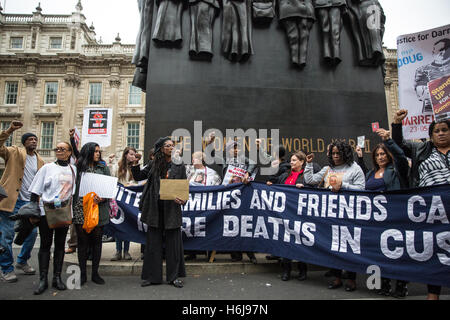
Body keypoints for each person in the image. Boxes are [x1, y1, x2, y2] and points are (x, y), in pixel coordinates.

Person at [392, 109, 450, 300]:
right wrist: (397, 124)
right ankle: (433, 294)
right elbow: (399, 144)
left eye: (444, 130)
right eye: (437, 131)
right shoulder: (421, 149)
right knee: (434, 252)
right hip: (432, 211)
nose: (441, 133)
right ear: (431, 136)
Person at [304, 140, 365, 291]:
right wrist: (309, 164)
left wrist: (343, 186)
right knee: (334, 247)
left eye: (338, 153)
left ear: (345, 153)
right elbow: (310, 180)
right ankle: (337, 277)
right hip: (330, 215)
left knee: (349, 248)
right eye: (333, 153)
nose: (336, 156)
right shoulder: (327, 169)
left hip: (349, 215)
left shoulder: (355, 169)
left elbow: (362, 189)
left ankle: (351, 279)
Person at [356, 128, 410, 298]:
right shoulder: (372, 173)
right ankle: (384, 283)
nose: (380, 157)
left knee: (398, 253)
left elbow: (401, 157)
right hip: (375, 220)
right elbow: (367, 183)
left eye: (383, 154)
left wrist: (389, 141)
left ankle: (401, 285)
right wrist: (359, 157)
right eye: (378, 154)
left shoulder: (396, 170)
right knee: (381, 253)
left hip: (395, 217)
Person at [28, 141, 77, 294]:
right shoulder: (47, 168)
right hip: (46, 212)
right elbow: (35, 192)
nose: (59, 151)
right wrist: (34, 211)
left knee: (60, 245)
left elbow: (72, 193)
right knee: (45, 244)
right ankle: (43, 279)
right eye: (57, 149)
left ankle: (57, 277)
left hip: (63, 211)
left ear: (69, 152)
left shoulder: (72, 169)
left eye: (63, 149)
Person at [139, 137, 186, 288]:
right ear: (160, 148)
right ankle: (153, 277)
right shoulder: (153, 163)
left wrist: (183, 199)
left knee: (173, 245)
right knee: (153, 243)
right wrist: (134, 163)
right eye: (167, 146)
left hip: (172, 208)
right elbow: (139, 176)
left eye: (172, 145)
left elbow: (183, 185)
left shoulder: (179, 165)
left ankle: (174, 277)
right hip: (155, 208)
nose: (171, 148)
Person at [0, 121, 44, 283]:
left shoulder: (40, 160)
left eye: (35, 139)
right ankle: (7, 269)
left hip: (29, 203)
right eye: (30, 139)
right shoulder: (14, 152)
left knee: (31, 234)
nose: (33, 141)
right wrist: (10, 130)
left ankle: (22, 261)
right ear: (24, 142)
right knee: (7, 235)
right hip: (12, 200)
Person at [267, 151, 311, 281]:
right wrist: (270, 184)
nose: (291, 162)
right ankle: (286, 270)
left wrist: (304, 187)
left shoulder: (305, 176)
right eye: (291, 160)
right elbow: (276, 184)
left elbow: (313, 188)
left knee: (300, 242)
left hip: (300, 216)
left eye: (294, 160)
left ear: (302, 162)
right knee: (286, 243)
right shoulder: (285, 175)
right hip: (285, 215)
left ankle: (303, 270)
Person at [72, 142, 111, 286]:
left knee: (97, 243)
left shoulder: (103, 167)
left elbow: (109, 188)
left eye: (99, 151)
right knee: (82, 243)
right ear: (88, 152)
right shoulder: (77, 168)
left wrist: (103, 198)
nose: (98, 154)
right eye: (95, 151)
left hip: (98, 209)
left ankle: (95, 273)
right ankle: (82, 275)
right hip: (81, 208)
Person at [108, 147, 140, 261]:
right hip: (118, 198)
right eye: (131, 154)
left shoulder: (135, 168)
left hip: (129, 199)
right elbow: (112, 180)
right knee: (118, 224)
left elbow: (138, 182)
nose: (133, 156)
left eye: (134, 154)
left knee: (127, 225)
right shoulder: (118, 167)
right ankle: (118, 251)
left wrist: (132, 184)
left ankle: (126, 251)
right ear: (125, 154)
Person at [414, 38, 450, 113]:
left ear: (442, 52)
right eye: (433, 49)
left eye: (436, 50)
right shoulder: (423, 70)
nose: (433, 52)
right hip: (431, 113)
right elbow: (421, 92)